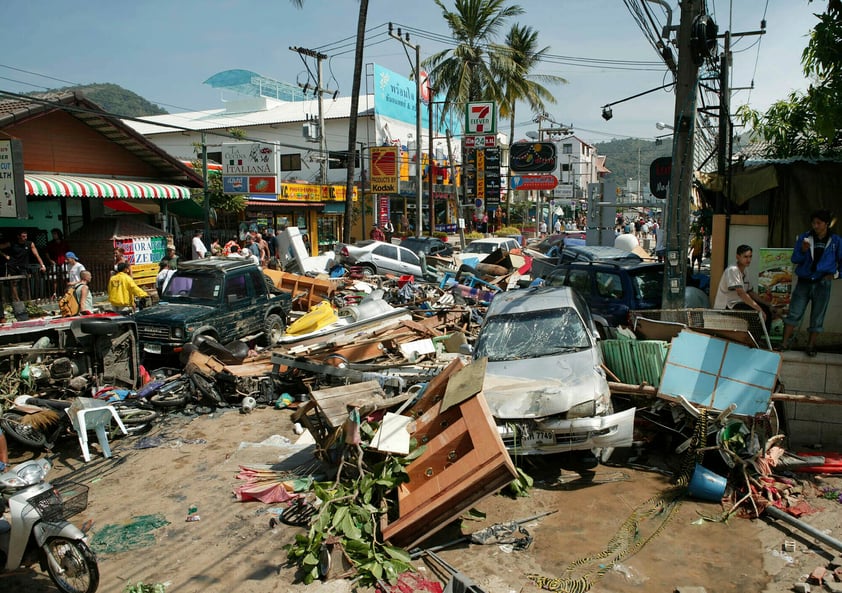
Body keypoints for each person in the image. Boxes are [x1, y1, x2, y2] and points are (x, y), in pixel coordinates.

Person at [780, 209, 842, 356]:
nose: (815, 226)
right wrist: (802, 250)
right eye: (813, 223)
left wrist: (836, 275)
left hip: (822, 282)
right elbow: (795, 259)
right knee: (794, 313)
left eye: (819, 223)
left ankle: (810, 346)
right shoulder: (805, 238)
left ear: (826, 224)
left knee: (817, 316)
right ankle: (783, 343)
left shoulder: (836, 241)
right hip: (804, 281)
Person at [714, 244, 773, 332]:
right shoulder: (732, 270)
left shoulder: (745, 270)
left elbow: (750, 292)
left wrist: (766, 304)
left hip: (739, 303)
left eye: (750, 257)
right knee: (756, 315)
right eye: (745, 257)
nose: (748, 260)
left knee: (767, 310)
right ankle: (752, 341)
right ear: (738, 257)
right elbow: (741, 293)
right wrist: (759, 309)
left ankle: (763, 339)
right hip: (728, 306)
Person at [5, 231, 46, 301]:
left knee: (25, 283)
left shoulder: (29, 243)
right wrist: (5, 255)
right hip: (13, 265)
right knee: (13, 283)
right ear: (19, 236)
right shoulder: (12, 243)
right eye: (23, 236)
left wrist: (42, 265)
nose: (25, 238)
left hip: (23, 266)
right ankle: (17, 299)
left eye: (26, 236)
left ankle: (26, 300)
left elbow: (37, 255)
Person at [45, 228, 70, 298]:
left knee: (65, 277)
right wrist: (50, 260)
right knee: (54, 278)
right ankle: (54, 293)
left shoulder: (64, 243)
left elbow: (68, 251)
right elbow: (46, 253)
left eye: (55, 234)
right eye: (53, 234)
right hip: (54, 262)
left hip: (63, 262)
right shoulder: (50, 243)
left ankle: (67, 291)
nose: (53, 235)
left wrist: (66, 259)